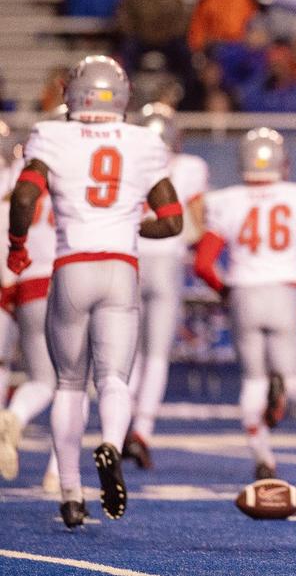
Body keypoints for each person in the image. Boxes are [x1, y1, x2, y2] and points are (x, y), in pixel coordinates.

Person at [6, 56, 182, 528]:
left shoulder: (52, 134)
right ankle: (111, 442)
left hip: (71, 267)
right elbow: (173, 222)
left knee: (67, 382)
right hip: (120, 267)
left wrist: (17, 247)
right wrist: (129, 226)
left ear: (73, 92)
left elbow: (24, 197)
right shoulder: (143, 140)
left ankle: (69, 494)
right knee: (114, 379)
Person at [194, 127, 296, 480]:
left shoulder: (226, 200)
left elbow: (203, 264)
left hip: (244, 294)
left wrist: (225, 291)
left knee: (252, 380)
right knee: (295, 383)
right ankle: (280, 397)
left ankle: (263, 455)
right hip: (284, 292)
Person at [123, 103, 208, 470]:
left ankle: (117, 428)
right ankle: (142, 431)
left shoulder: (126, 161)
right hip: (166, 260)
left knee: (128, 354)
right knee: (156, 354)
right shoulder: (190, 167)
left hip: (129, 258)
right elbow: (198, 226)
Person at [0, 123, 58, 484]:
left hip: (15, 282)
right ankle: (58, 473)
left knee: (3, 364)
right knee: (67, 381)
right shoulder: (67, 184)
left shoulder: (11, 184)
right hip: (52, 282)